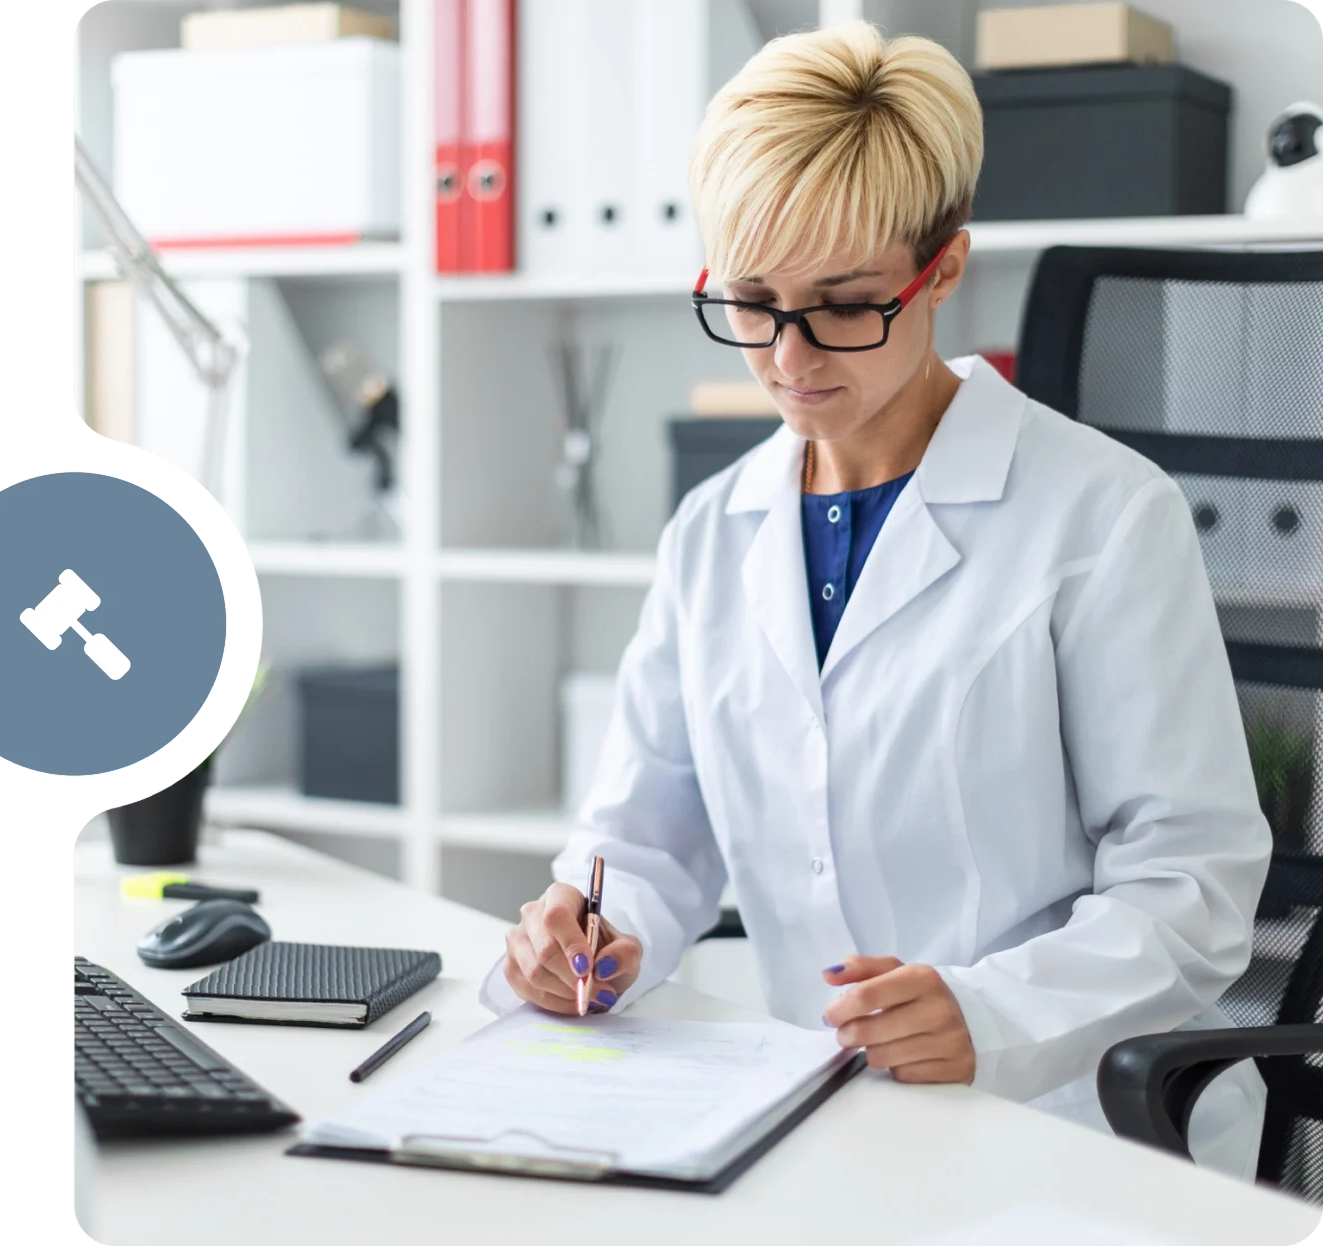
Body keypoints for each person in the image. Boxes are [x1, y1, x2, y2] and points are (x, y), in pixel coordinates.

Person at [478, 20, 1270, 1180]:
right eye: (750, 301)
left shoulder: (1100, 515)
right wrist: (589, 928)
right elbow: (645, 838)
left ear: (941, 268)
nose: (788, 356)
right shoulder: (713, 530)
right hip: (822, 1111)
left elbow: (1188, 890)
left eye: (844, 303)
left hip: (1070, 1128)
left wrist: (986, 1012)